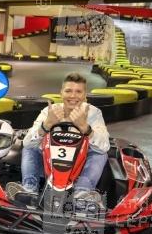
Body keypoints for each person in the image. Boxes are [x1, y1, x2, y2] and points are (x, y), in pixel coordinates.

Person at [6, 72, 110, 205]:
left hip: (78, 163)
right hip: (50, 160)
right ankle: (30, 189)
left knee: (100, 153)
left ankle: (82, 193)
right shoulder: (49, 111)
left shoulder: (93, 113)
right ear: (61, 93)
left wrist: (86, 129)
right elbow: (27, 141)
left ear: (84, 95)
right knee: (30, 146)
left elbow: (105, 146)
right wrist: (46, 125)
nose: (73, 96)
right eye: (68, 91)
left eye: (78, 91)